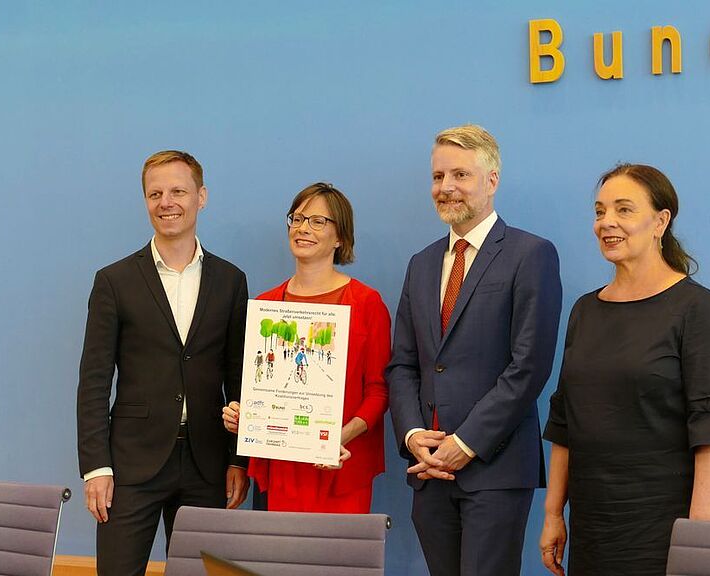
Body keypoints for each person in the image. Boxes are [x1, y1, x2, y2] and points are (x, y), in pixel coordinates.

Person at [539, 164, 710, 576]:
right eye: (599, 211)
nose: (606, 222)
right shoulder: (585, 310)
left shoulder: (697, 309)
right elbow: (564, 419)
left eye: (624, 210)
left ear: (660, 221)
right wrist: (553, 513)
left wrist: (700, 530)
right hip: (593, 524)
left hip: (664, 525)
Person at [387, 125, 562, 576]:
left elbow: (529, 367)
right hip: (428, 473)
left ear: (492, 180)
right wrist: (412, 437)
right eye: (438, 176)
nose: (446, 188)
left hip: (495, 468)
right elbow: (404, 364)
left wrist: (466, 443)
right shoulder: (421, 264)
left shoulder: (531, 254)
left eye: (460, 175)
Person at [77, 150, 249, 575]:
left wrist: (237, 459)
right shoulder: (114, 281)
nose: (166, 202)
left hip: (207, 463)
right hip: (130, 464)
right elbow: (94, 381)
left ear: (201, 197)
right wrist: (96, 467)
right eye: (155, 193)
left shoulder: (231, 281)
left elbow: (240, 376)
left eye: (178, 191)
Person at [222, 182, 391, 513]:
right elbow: (259, 385)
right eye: (297, 218)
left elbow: (379, 393)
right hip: (280, 470)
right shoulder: (266, 304)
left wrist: (336, 439)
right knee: (277, 564)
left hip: (341, 468)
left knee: (336, 564)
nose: (303, 228)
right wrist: (244, 417)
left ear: (340, 236)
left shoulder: (367, 303)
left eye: (318, 221)